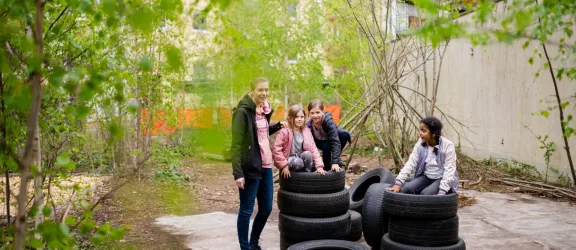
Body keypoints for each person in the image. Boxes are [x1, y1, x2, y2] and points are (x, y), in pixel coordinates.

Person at [231, 77, 283, 250]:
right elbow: (236, 144)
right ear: (252, 90)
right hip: (250, 167)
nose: (264, 93)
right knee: (246, 210)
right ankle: (245, 247)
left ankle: (254, 242)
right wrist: (238, 173)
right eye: (260, 90)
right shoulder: (243, 112)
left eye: (266, 90)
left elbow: (260, 133)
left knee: (266, 208)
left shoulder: (264, 110)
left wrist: (277, 126)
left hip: (266, 165)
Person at [387, 117, 459, 195]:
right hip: (427, 177)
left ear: (433, 133)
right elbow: (411, 163)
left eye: (423, 131)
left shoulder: (447, 145)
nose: (420, 133)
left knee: (425, 195)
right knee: (407, 189)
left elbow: (449, 170)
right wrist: (398, 183)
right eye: (420, 130)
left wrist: (442, 192)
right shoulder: (420, 143)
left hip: (441, 179)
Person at [273, 104, 326, 178]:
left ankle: (307, 177)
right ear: (290, 118)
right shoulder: (284, 131)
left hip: (301, 156)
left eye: (302, 117)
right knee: (298, 163)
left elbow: (313, 148)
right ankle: (295, 178)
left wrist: (319, 166)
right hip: (289, 158)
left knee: (308, 154)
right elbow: (276, 149)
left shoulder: (306, 131)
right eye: (296, 117)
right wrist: (284, 166)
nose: (300, 119)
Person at [306, 100, 350, 172]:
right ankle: (326, 168)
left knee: (344, 135)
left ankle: (335, 159)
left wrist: (335, 162)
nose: (315, 115)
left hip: (331, 138)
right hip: (320, 142)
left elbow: (335, 140)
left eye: (317, 112)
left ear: (322, 112)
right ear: (309, 113)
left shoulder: (328, 121)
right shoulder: (308, 124)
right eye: (312, 113)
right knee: (326, 147)